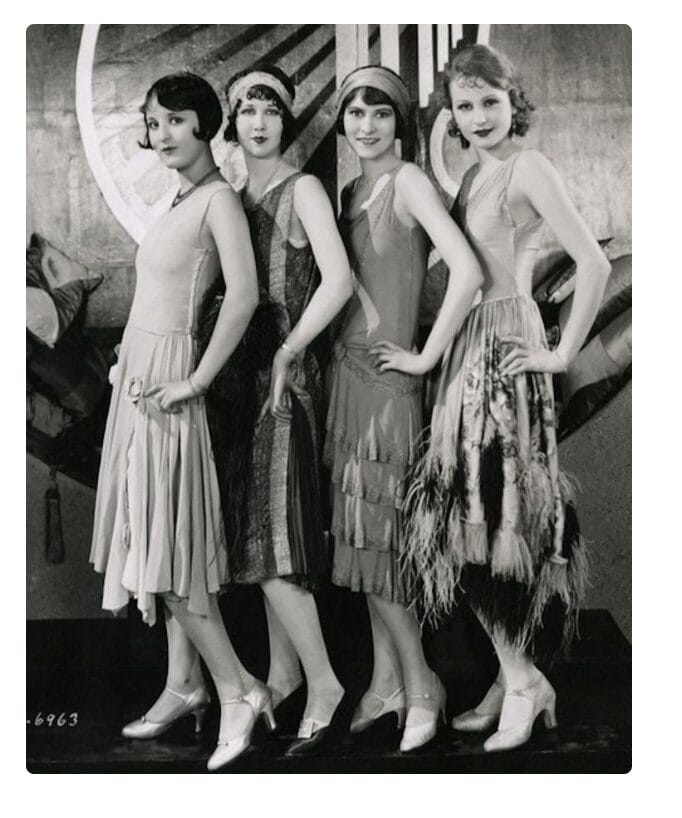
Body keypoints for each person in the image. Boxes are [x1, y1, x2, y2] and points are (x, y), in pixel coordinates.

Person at [373, 44, 611, 752]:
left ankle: (522, 680)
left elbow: (595, 263)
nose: (477, 117)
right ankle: (514, 678)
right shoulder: (476, 172)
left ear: (515, 103)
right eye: (464, 104)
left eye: (489, 102)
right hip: (469, 348)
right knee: (464, 521)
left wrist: (561, 353)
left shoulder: (527, 167)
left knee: (495, 520)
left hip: (504, 346)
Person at [89, 72, 272, 772]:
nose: (160, 134)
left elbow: (246, 295)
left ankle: (238, 691)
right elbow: (162, 294)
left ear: (204, 123)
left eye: (172, 120)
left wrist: (194, 380)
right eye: (152, 122)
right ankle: (185, 683)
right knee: (155, 541)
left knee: (170, 553)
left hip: (171, 387)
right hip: (139, 381)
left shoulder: (220, 199)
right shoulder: (182, 197)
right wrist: (123, 362)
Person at [326, 65, 483, 752]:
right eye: (355, 114)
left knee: (384, 545)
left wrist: (423, 356)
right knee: (363, 541)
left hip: (390, 387)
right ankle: (385, 683)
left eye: (380, 114)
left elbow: (468, 271)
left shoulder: (409, 181)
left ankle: (423, 683)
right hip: (346, 379)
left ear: (400, 122)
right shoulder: (350, 187)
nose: (366, 126)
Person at [204, 65, 353, 756]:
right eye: (246, 108)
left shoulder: (304, 189)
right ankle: (285, 674)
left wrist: (292, 349)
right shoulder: (232, 195)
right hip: (243, 379)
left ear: (285, 119)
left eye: (269, 109)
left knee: (273, 542)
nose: (257, 120)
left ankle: (324, 684)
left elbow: (338, 281)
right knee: (254, 535)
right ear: (231, 120)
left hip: (286, 379)